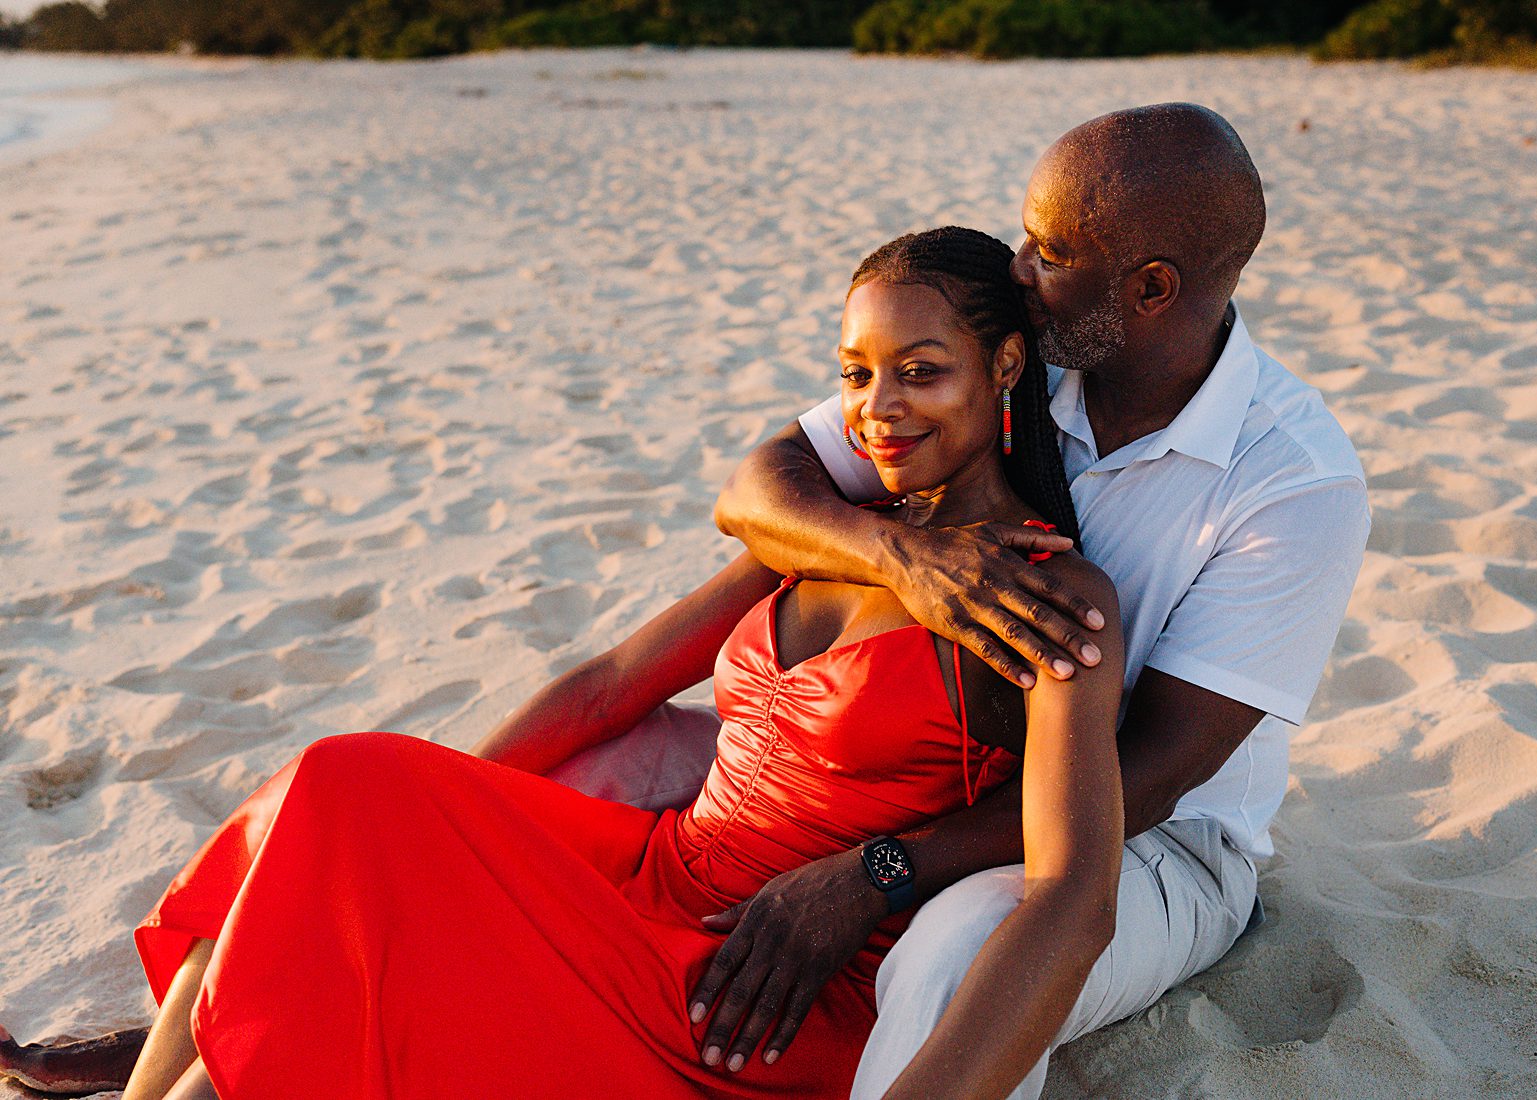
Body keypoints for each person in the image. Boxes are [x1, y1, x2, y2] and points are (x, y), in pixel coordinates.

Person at [111, 227, 1128, 1100]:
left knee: (320, 938)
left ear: (1002, 366)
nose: (878, 409)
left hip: (762, 969)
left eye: (920, 369)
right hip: (651, 867)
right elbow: (608, 686)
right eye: (856, 373)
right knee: (338, 801)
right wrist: (450, 832)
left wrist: (879, 875)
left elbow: (1068, 877)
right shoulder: (841, 527)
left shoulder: (1051, 593)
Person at [682, 102, 1371, 1098]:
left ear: (1149, 288)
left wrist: (883, 867)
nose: (1016, 267)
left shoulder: (1294, 483)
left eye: (1048, 249)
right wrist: (901, 554)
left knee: (954, 951)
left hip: (1157, 845)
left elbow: (1160, 772)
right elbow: (758, 490)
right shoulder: (1018, 355)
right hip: (941, 771)